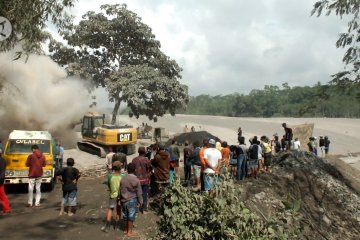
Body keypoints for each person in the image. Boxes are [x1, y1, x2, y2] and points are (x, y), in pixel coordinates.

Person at [119, 162, 143, 237]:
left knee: (125, 216)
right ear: (135, 170)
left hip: (123, 200)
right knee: (131, 216)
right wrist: (140, 201)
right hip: (132, 200)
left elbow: (120, 190)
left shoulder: (122, 179)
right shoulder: (136, 180)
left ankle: (125, 230)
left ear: (127, 170)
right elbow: (139, 193)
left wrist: (119, 200)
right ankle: (130, 232)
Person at [101, 161, 122, 232]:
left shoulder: (110, 176)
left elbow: (109, 185)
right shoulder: (122, 176)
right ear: (120, 168)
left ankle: (107, 227)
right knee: (118, 209)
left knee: (110, 209)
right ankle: (117, 226)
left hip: (113, 195)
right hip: (120, 195)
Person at [132, 146, 151, 214]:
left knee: (136, 194)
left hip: (136, 180)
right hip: (145, 180)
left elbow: (132, 170)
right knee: (144, 194)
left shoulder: (134, 160)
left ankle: (136, 209)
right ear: (145, 152)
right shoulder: (146, 160)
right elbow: (149, 169)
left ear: (138, 152)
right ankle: (144, 209)